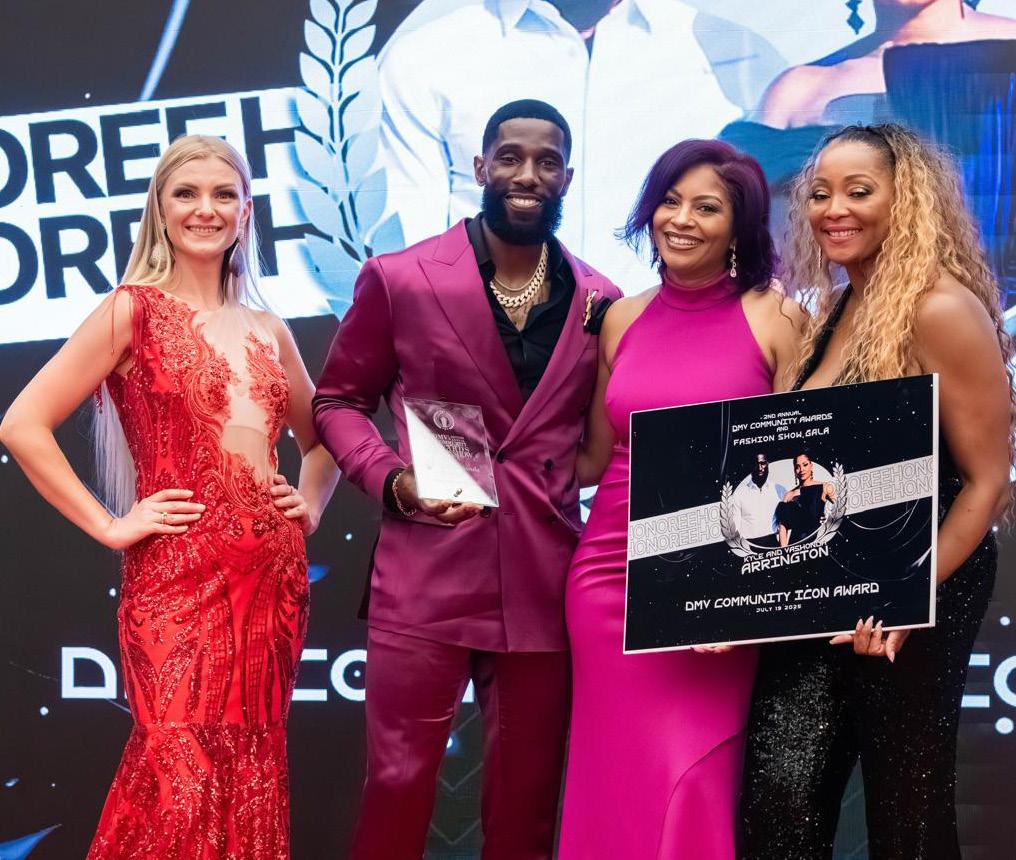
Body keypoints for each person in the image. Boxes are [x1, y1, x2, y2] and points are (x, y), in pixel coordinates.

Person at [0, 135, 339, 857]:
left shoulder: (269, 329)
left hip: (271, 589)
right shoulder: (132, 311)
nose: (205, 209)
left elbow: (324, 442)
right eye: (186, 193)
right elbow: (22, 424)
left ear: (246, 212)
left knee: (251, 771)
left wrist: (309, 505)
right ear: (159, 208)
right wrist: (110, 525)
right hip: (176, 583)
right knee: (178, 777)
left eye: (223, 194)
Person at [312, 100, 621, 860]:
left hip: (545, 582)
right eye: (510, 157)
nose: (527, 174)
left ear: (568, 177)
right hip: (426, 572)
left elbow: (596, 441)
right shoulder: (402, 279)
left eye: (547, 162)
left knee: (526, 807)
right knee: (396, 786)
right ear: (481, 168)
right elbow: (338, 402)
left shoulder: (601, 301)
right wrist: (393, 481)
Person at [739, 124, 1013, 860]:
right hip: (824, 581)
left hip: (921, 582)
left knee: (907, 814)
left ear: (906, 200)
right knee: (779, 802)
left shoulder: (940, 308)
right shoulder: (832, 308)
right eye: (819, 193)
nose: (834, 209)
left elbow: (987, 481)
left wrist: (906, 596)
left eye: (858, 191)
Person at [557, 139, 805, 859]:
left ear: (739, 226)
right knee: (612, 771)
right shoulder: (621, 318)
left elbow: (797, 467)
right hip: (607, 577)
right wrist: (475, 456)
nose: (683, 220)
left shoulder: (777, 317)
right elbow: (593, 459)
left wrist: (745, 597)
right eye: (670, 201)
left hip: (718, 580)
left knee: (691, 770)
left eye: (707, 207)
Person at [376, 0, 755, 292]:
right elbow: (413, 264)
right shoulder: (426, 58)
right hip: (489, 352)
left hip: (672, 349)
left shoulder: (723, 49)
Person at [775, 451, 835, 546]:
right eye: (797, 467)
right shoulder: (789, 495)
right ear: (794, 471)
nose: (801, 469)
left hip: (817, 543)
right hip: (796, 545)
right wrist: (784, 550)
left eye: (805, 465)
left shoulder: (825, 487)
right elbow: (783, 527)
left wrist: (828, 519)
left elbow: (841, 509)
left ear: (811, 466)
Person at [732, 452, 785, 546]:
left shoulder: (779, 490)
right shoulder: (739, 494)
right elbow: (734, 528)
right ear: (750, 466)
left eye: (763, 463)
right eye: (756, 464)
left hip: (773, 544)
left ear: (768, 464)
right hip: (749, 547)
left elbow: (786, 521)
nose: (760, 468)